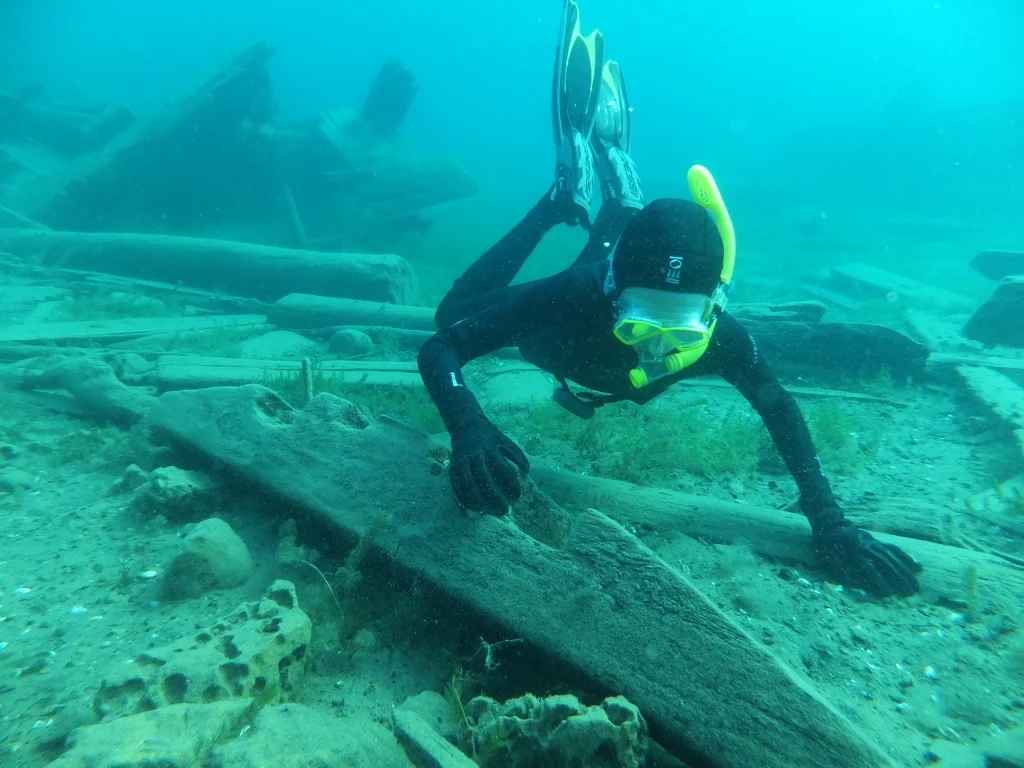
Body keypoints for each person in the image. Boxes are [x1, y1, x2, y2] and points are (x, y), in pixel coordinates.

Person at [417, 0, 921, 599]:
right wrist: (468, 427)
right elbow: (442, 346)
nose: (659, 345)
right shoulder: (579, 296)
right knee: (454, 310)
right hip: (562, 332)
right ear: (614, 295)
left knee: (617, 251)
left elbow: (778, 406)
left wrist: (831, 524)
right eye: (642, 322)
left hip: (619, 276)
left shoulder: (718, 333)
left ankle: (617, 200)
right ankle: (560, 201)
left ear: (709, 309)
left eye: (682, 329)